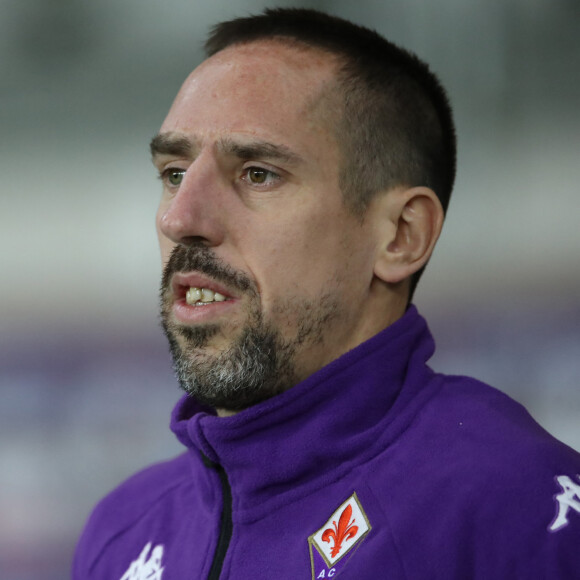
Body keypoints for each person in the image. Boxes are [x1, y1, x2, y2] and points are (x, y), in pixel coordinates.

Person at [73, 8, 580, 579]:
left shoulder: (510, 503)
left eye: (257, 173)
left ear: (400, 236)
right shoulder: (123, 530)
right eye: (173, 172)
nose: (180, 218)